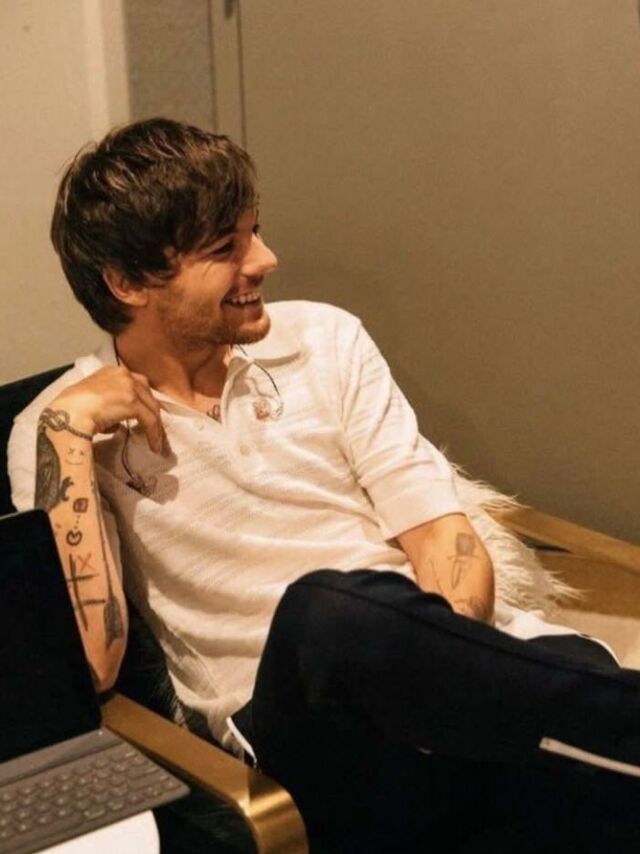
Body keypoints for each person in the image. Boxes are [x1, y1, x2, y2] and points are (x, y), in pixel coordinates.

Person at [8, 118, 640, 852]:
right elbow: (93, 663)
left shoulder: (325, 339)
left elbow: (441, 533)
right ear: (128, 282)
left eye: (255, 231)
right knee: (324, 613)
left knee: (592, 795)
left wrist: (435, 680)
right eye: (225, 249)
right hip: (306, 740)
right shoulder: (53, 431)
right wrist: (68, 435)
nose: (265, 260)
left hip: (473, 684)